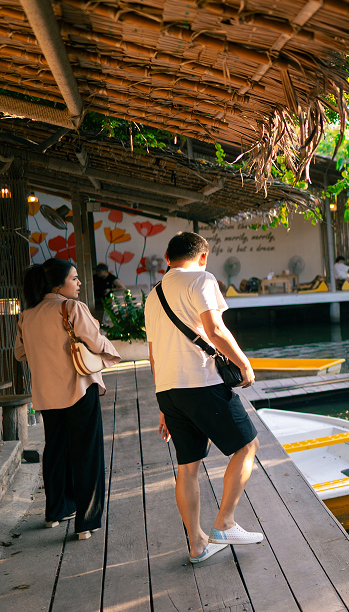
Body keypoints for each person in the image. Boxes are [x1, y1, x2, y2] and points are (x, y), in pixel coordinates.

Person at [144, 232, 260, 565]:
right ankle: (224, 523)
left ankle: (197, 544)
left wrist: (163, 405)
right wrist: (244, 364)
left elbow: (154, 355)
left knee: (188, 466)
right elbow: (215, 330)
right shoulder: (202, 278)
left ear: (167, 258)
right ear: (203, 256)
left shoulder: (153, 296)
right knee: (247, 446)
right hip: (201, 383)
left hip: (168, 389)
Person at [15, 259, 120, 539]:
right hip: (78, 388)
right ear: (58, 284)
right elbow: (97, 343)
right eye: (74, 278)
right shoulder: (71, 307)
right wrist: (108, 351)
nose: (79, 282)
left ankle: (55, 512)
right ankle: (86, 523)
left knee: (56, 450)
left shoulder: (28, 314)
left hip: (47, 394)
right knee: (87, 453)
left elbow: (20, 354)